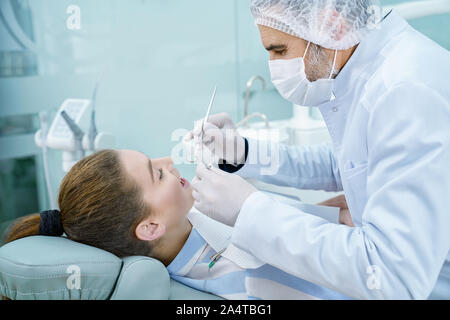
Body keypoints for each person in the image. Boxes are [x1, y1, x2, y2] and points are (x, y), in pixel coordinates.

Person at [188, 0, 450, 299]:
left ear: (333, 27)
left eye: (279, 50)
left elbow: (391, 276)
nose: (274, 67)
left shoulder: (404, 92)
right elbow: (346, 163)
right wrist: (244, 154)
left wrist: (251, 212)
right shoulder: (370, 70)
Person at [2, 149, 353, 300]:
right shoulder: (231, 279)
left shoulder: (198, 222)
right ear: (151, 228)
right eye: (157, 173)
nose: (169, 162)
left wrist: (327, 213)